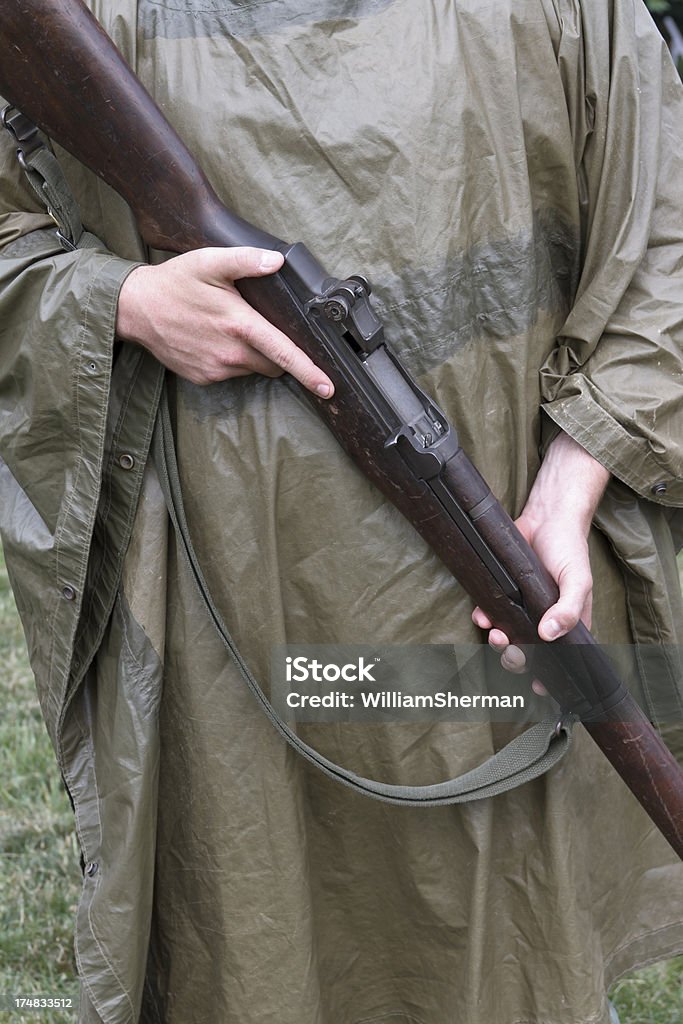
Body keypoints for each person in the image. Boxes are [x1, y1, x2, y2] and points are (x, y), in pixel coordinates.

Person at [1, 1, 682, 1022]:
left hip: (492, 581)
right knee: (251, 919)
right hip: (226, 603)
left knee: (499, 934)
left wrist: (572, 480)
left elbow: (664, 236)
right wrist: (126, 302)